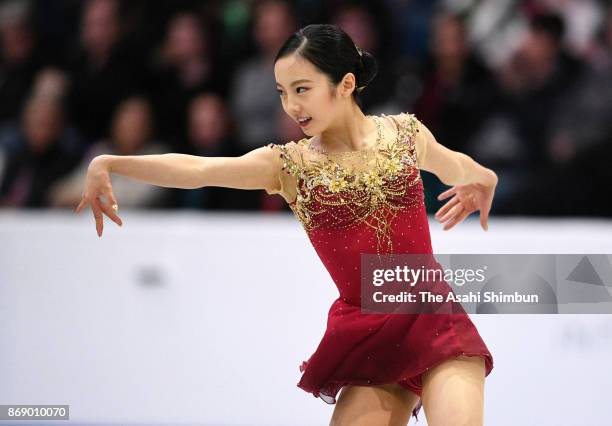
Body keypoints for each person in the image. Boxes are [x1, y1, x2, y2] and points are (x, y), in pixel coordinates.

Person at [75, 24, 497, 426]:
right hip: (372, 334)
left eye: (302, 89)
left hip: (434, 318)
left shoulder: (405, 135)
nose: (292, 106)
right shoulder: (289, 166)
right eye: (282, 92)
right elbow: (199, 168)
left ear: (345, 84)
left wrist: (484, 179)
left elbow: (456, 165)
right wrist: (112, 162)